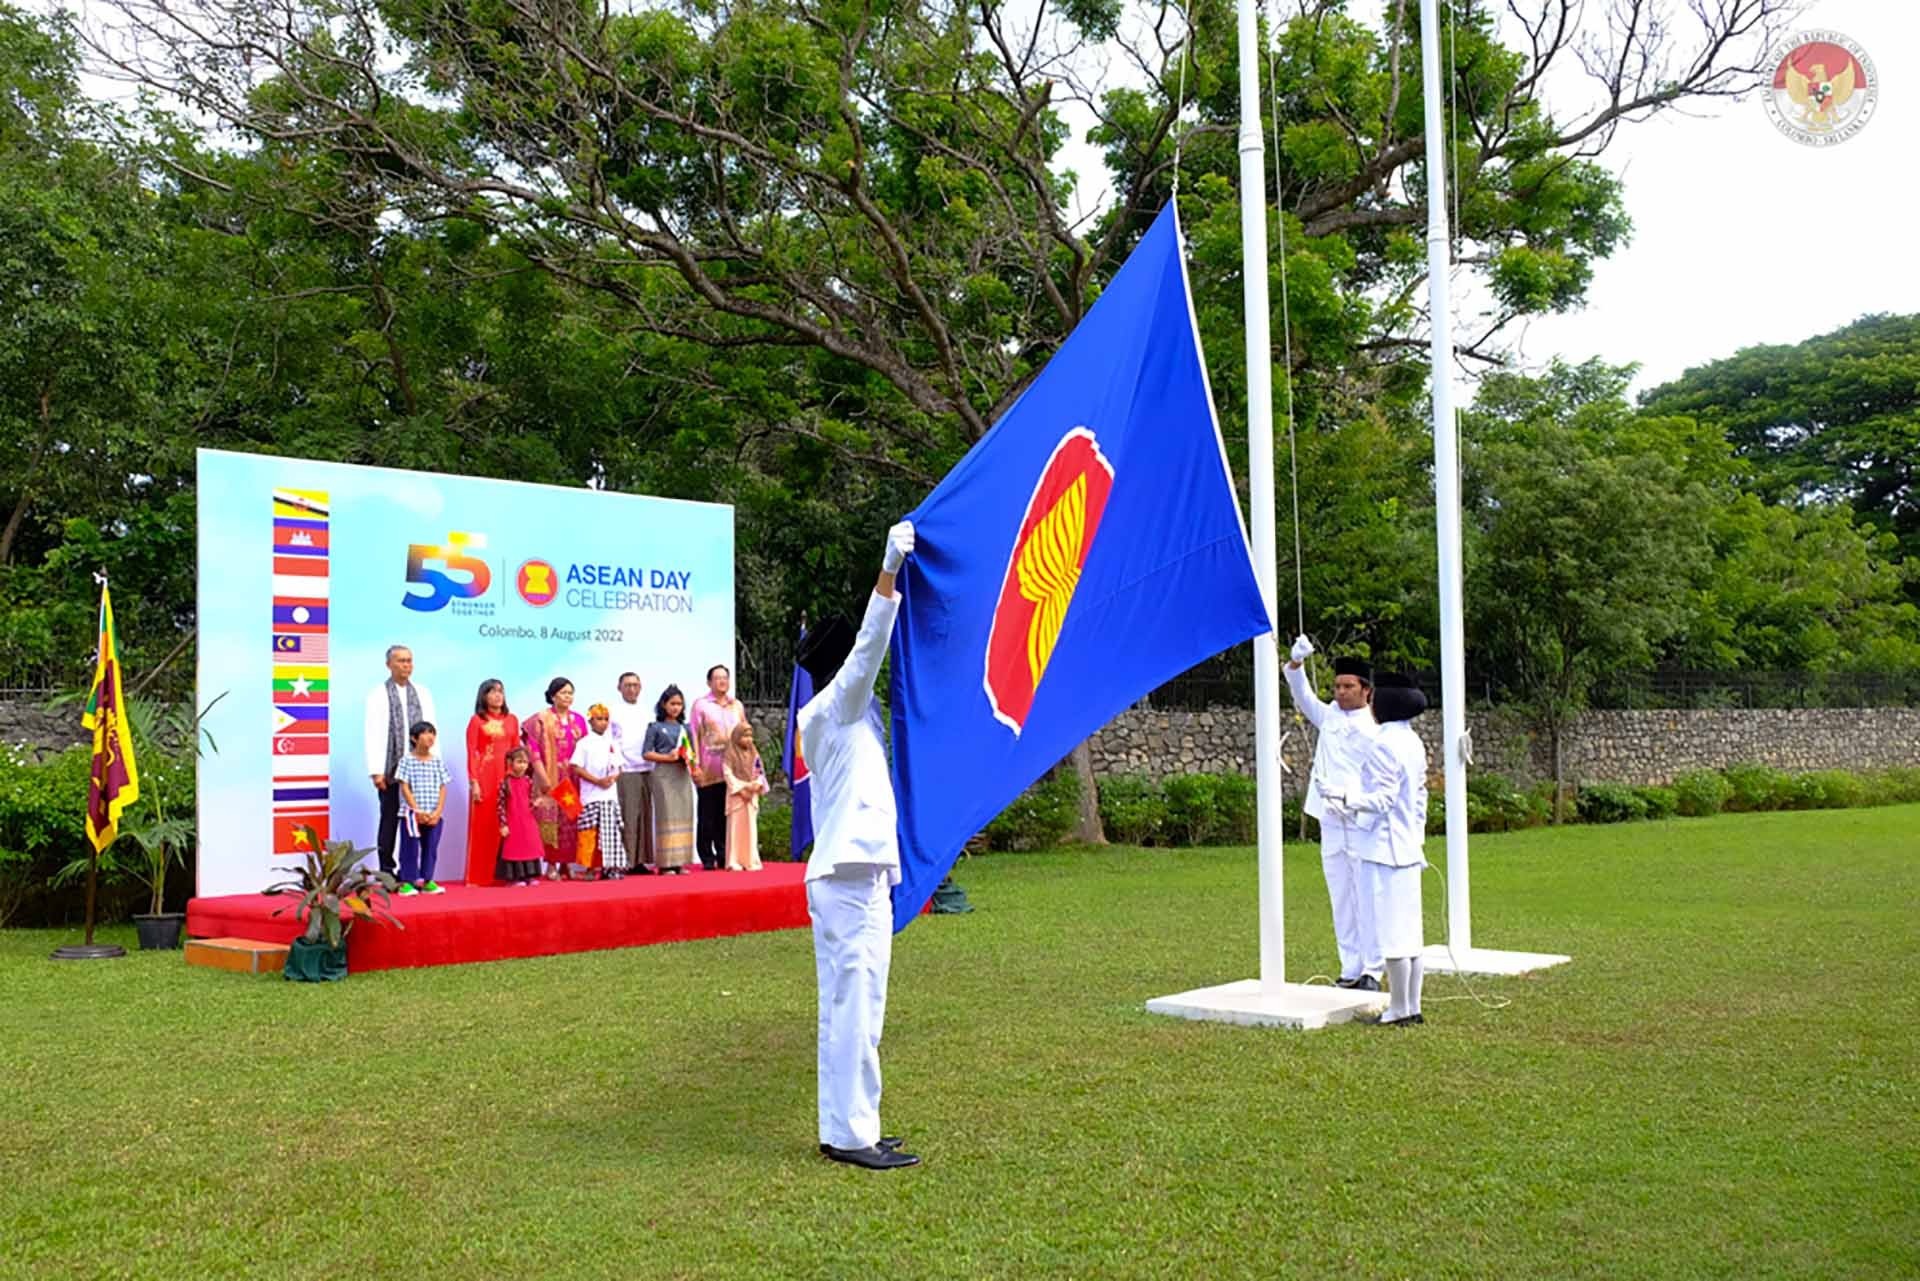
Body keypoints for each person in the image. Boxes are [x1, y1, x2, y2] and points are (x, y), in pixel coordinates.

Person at [797, 519, 920, 1171]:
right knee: (852, 1001)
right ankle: (848, 1135)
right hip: (845, 875)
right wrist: (888, 571)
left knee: (862, 1001)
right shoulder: (829, 710)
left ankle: (853, 1123)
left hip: (864, 872)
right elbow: (871, 647)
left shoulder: (847, 718)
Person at [1326, 673, 1431, 1027]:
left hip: (1383, 848)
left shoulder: (1384, 744)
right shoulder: (1412, 741)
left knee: (1392, 933)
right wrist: (1417, 839)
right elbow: (1419, 799)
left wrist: (1345, 797)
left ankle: (1400, 1009)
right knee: (1410, 933)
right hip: (1407, 847)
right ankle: (1410, 1006)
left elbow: (1383, 799)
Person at [1284, 636, 1382, 991]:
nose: (1340, 692)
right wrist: (1295, 664)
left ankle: (1374, 968)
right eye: (1338, 686)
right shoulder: (1329, 716)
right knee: (1340, 894)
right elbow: (1302, 697)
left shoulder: (1376, 732)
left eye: (1348, 686)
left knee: (1365, 894)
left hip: (1360, 820)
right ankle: (1350, 965)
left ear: (1365, 690)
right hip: (1330, 819)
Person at [362, 645, 438, 878]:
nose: (407, 665)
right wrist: (376, 770)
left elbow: (432, 730)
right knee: (389, 819)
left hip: (419, 769)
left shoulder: (422, 692)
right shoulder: (378, 694)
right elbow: (373, 731)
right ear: (389, 664)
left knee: (415, 821)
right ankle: (386, 869)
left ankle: (413, 871)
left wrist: (434, 764)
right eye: (401, 661)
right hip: (391, 768)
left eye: (409, 661)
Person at [525, 677, 588, 880]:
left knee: (570, 821)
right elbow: (532, 749)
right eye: (563, 693)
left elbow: (587, 748)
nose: (567, 696)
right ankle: (551, 865)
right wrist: (542, 776)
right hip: (549, 778)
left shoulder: (578, 720)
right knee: (549, 821)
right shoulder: (540, 719)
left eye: (570, 693)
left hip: (572, 779)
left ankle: (566, 865)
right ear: (552, 696)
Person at [689, 664, 744, 870]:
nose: (722, 682)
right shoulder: (701, 705)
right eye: (717, 678)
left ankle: (724, 854)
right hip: (708, 767)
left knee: (727, 813)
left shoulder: (736, 705)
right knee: (707, 815)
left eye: (725, 678)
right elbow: (694, 735)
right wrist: (695, 765)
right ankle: (707, 856)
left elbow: (745, 733)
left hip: (733, 770)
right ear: (709, 682)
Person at [465, 678, 519, 887]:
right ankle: (478, 876)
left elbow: (517, 751)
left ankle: (506, 875)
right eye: (492, 691)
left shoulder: (512, 719)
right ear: (483, 696)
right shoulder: (477, 721)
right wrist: (474, 782)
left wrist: (518, 778)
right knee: (484, 825)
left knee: (507, 825)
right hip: (485, 778)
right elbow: (471, 752)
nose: (497, 695)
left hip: (507, 777)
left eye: (500, 691)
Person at [641, 686, 698, 874]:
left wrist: (688, 758)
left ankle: (680, 861)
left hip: (682, 774)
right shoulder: (655, 727)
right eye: (672, 703)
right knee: (667, 817)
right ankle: (666, 863)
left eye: (679, 704)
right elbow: (647, 753)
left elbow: (693, 753)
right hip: (663, 775)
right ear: (663, 705)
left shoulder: (686, 728)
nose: (676, 708)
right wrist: (668, 757)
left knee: (684, 816)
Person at [571, 702, 628, 879]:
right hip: (590, 797)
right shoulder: (584, 743)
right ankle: (587, 869)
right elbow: (576, 767)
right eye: (598, 719)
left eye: (605, 719)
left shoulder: (612, 743)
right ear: (590, 721)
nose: (602, 723)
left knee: (609, 834)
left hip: (609, 796)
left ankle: (610, 868)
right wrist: (597, 781)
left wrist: (611, 779)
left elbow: (619, 767)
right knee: (589, 834)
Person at [394, 720, 450, 896]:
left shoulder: (437, 762)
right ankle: (407, 882)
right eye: (425, 733)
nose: (430, 737)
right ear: (414, 738)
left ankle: (427, 880)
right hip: (411, 815)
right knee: (409, 848)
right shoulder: (407, 760)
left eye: (432, 733)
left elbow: (443, 787)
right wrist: (416, 810)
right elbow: (404, 787)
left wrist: (438, 811)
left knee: (430, 847)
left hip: (433, 814)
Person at [608, 672, 656, 872]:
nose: (631, 689)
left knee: (645, 816)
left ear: (641, 687)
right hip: (626, 769)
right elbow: (610, 741)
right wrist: (617, 765)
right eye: (627, 685)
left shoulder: (648, 712)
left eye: (635, 685)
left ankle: (641, 860)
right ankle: (625, 860)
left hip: (648, 768)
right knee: (628, 815)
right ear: (619, 688)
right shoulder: (613, 712)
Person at [722, 721, 769, 872]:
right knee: (736, 828)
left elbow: (759, 771)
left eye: (750, 736)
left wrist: (756, 784)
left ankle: (750, 860)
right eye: (744, 736)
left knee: (750, 829)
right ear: (736, 737)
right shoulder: (730, 753)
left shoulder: (754, 752)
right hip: (737, 796)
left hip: (751, 796)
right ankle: (734, 861)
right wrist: (742, 789)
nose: (748, 739)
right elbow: (727, 773)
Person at [495, 746, 544, 886]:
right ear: (511, 762)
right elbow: (500, 806)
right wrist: (503, 824)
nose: (523, 765)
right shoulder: (505, 782)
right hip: (512, 820)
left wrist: (536, 803)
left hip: (527, 820)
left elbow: (531, 800)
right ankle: (514, 878)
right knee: (514, 848)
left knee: (529, 846)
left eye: (525, 762)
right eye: (519, 761)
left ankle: (530, 876)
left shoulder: (529, 781)